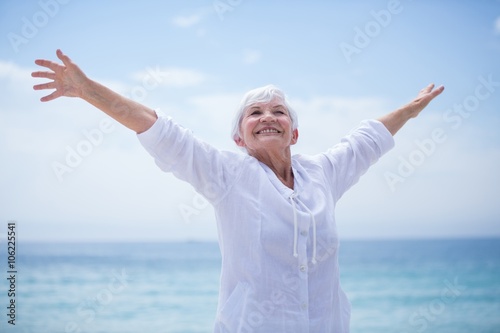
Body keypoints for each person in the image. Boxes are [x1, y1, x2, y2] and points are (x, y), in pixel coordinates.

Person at [32, 49, 444, 332]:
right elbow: (157, 127)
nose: (268, 117)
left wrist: (410, 109)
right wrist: (87, 90)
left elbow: (366, 140)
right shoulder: (228, 175)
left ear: (294, 132)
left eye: (278, 111)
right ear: (239, 138)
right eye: (255, 113)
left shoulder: (323, 173)